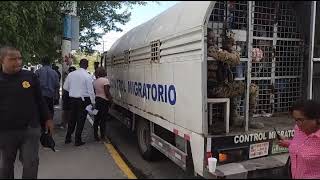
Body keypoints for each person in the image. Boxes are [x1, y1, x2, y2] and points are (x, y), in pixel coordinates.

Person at [0, 46, 54, 179]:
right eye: (13, 59)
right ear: (2, 60)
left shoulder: (30, 76)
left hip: (30, 129)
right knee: (5, 165)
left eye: (20, 58)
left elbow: (40, 100)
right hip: (5, 131)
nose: (18, 62)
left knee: (31, 163)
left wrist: (47, 118)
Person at [207, 29, 263, 129]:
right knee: (253, 88)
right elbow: (236, 60)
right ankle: (249, 120)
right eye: (210, 38)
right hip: (216, 90)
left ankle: (233, 118)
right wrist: (232, 48)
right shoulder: (211, 50)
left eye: (214, 38)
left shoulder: (211, 50)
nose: (213, 41)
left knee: (235, 86)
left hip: (215, 88)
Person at [278, 100, 320, 179]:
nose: (297, 124)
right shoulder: (298, 130)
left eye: (301, 120)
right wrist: (287, 143)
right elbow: (302, 146)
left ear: (316, 119)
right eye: (295, 120)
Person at [63, 59, 95, 146]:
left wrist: (73, 91)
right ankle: (77, 140)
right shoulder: (88, 76)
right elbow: (90, 91)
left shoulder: (71, 74)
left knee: (72, 119)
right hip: (83, 100)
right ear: (87, 65)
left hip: (72, 100)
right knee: (81, 120)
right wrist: (93, 102)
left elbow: (65, 87)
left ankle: (68, 137)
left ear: (79, 64)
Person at [35, 56, 60, 121]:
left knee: (41, 111)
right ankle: (49, 127)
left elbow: (34, 84)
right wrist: (56, 96)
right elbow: (57, 85)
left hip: (41, 95)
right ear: (50, 63)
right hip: (50, 96)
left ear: (42, 63)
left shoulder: (38, 72)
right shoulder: (54, 73)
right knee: (50, 111)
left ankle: (43, 128)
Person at [93, 67, 113, 141]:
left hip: (97, 101)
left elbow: (95, 92)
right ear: (103, 72)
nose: (106, 71)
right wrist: (111, 100)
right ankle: (103, 136)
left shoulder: (95, 81)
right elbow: (107, 92)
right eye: (104, 70)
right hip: (104, 102)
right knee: (103, 120)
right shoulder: (105, 80)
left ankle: (95, 136)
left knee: (96, 119)